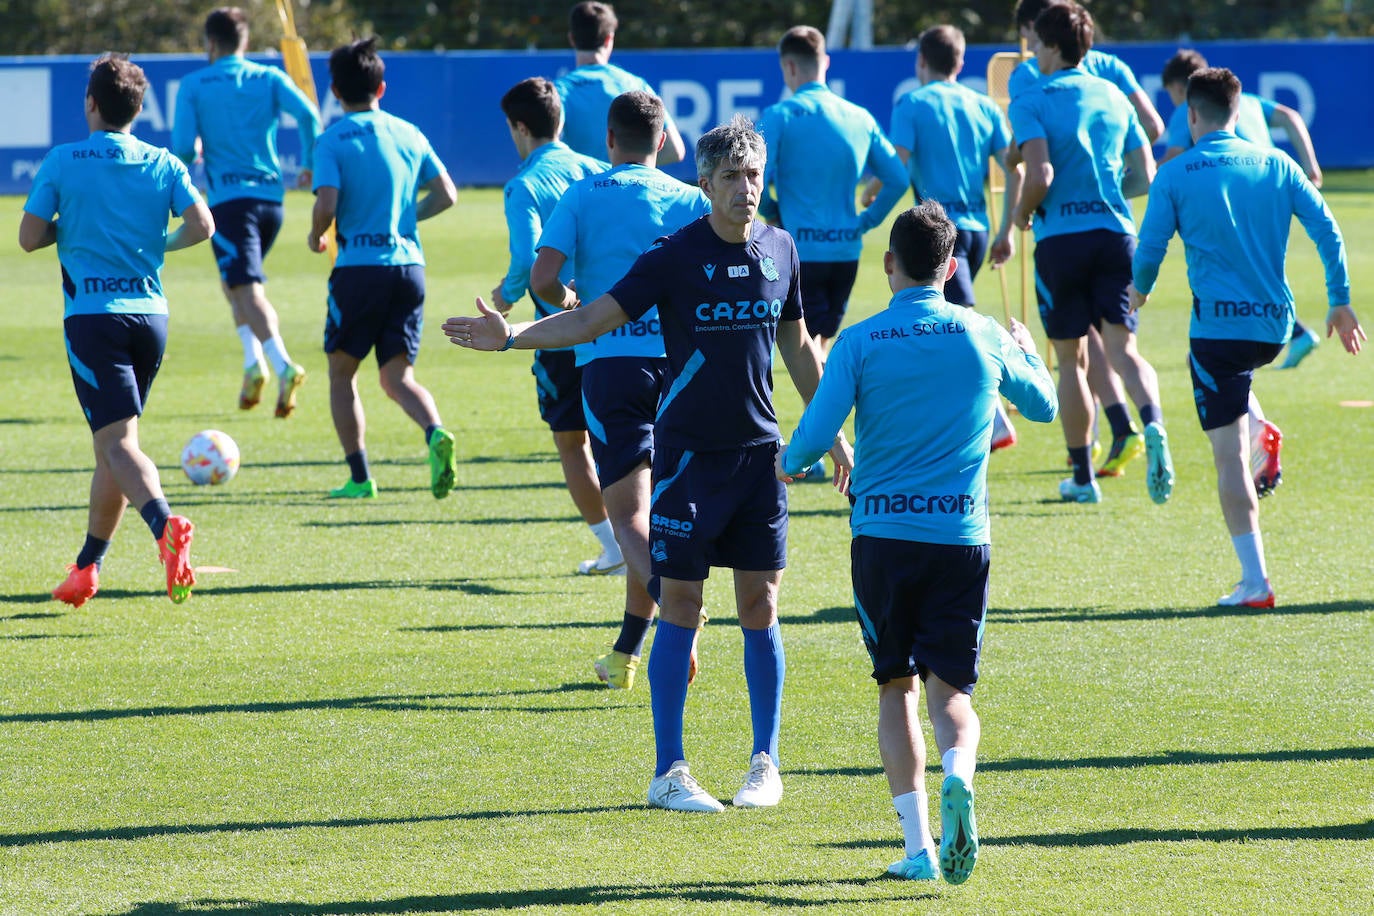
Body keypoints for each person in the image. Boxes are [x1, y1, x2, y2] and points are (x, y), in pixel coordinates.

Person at [444, 115, 852, 813]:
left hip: (759, 460)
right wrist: (512, 336)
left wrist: (832, 437)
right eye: (731, 177)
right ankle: (670, 772)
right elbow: (590, 319)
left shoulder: (781, 248)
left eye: (754, 176)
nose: (745, 189)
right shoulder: (672, 255)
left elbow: (799, 348)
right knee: (683, 607)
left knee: (762, 604)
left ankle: (765, 763)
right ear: (705, 181)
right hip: (688, 460)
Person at [777, 202, 1057, 884]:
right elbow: (1045, 405)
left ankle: (919, 848)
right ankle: (958, 774)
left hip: (883, 540)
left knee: (895, 688)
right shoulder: (983, 333)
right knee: (952, 693)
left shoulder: (861, 342)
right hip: (961, 538)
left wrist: (789, 460)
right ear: (952, 266)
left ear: (888, 264)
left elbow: (810, 445)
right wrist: (1022, 347)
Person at [1129, 67, 1364, 607]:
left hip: (1218, 332)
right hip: (1276, 328)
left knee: (1228, 457)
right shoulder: (1277, 163)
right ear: (1238, 113)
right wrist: (1340, 300)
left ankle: (1255, 582)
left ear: (1191, 117)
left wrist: (1138, 292)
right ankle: (1258, 425)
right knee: (1238, 387)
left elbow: (1151, 250)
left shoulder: (1177, 172)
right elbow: (1327, 227)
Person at [527, 90, 711, 689]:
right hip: (684, 370)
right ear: (662, 141)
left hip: (612, 365)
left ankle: (679, 620)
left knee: (628, 517)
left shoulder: (581, 193)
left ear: (608, 141)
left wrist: (576, 304)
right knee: (652, 519)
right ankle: (626, 654)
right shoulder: (690, 199)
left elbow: (544, 279)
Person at [21, 54, 214, 607]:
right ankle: (87, 567)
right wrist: (159, 246)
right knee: (113, 445)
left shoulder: (64, 160)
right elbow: (202, 225)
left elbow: (29, 237)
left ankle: (164, 525)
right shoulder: (162, 161)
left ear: (91, 103)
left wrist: (70, 225)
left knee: (118, 443)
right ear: (138, 108)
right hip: (150, 317)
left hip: (93, 317)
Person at [1000, 0, 1173, 506]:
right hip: (1118, 233)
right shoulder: (1113, 96)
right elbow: (1146, 171)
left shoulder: (1032, 95)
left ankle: (1082, 477)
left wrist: (1021, 215)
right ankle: (1153, 423)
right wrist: (1111, 194)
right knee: (1124, 350)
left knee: (1071, 362)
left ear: (1051, 46)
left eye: (1035, 43)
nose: (1030, 51)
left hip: (1062, 241)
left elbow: (1040, 173)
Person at [308, 38, 459, 500]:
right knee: (397, 377)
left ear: (335, 90)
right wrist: (406, 221)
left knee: (341, 373)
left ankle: (360, 478)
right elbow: (447, 194)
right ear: (382, 87)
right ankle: (435, 432)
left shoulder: (332, 139)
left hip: (358, 269)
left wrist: (318, 233)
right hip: (408, 267)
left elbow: (328, 201)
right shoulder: (409, 133)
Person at [862, 24, 1021, 450]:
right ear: (961, 62)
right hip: (978, 231)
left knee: (960, 326)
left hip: (937, 232)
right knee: (948, 325)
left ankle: (998, 418)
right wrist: (1008, 227)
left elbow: (899, 162)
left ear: (920, 62)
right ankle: (962, 416)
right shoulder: (983, 105)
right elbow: (1015, 168)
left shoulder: (911, 103)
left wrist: (872, 190)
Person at [491, 77, 622, 576]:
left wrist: (505, 297)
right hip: (615, 319)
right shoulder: (594, 168)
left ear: (520, 127)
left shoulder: (524, 184)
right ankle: (648, 537)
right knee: (626, 434)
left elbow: (527, 260)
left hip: (561, 328)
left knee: (572, 440)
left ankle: (614, 545)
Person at [172, 6, 320, 417]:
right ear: (246, 43)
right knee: (232, 281)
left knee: (247, 288)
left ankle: (282, 364)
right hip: (271, 203)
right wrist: (309, 162)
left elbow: (183, 147)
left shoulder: (194, 85)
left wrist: (189, 160)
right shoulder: (268, 77)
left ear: (210, 43)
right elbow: (308, 114)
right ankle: (253, 362)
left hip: (229, 204)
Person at [1156, 48, 1327, 371]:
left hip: (1233, 189)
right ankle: (1292, 332)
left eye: (1173, 94)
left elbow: (1174, 158)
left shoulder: (1190, 109)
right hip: (1270, 187)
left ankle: (1235, 341)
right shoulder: (1242, 99)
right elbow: (1290, 116)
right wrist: (1311, 167)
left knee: (1219, 262)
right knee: (1255, 267)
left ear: (1181, 88)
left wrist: (1145, 174)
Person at [759, 25, 908, 356]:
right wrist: (866, 221)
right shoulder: (859, 117)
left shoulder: (779, 116)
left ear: (789, 66)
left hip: (800, 252)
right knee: (818, 346)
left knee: (805, 349)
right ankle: (821, 404)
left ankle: (820, 408)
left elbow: (755, 178)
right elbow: (897, 178)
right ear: (825, 61)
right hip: (845, 251)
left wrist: (771, 212)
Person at [555, 2, 686, 167]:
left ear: (572, 38)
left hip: (580, 190)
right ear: (609, 38)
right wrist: (628, 167)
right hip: (628, 189)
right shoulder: (635, 84)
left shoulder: (559, 91)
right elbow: (674, 150)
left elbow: (549, 150)